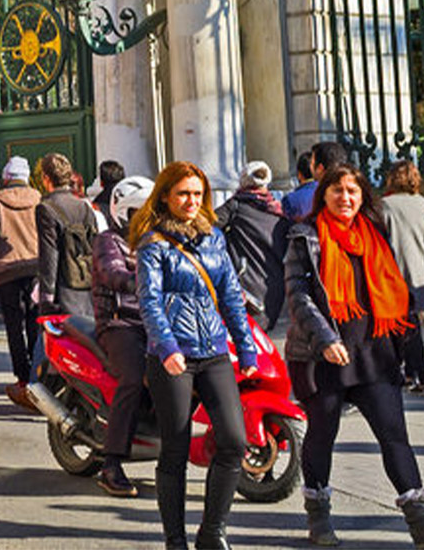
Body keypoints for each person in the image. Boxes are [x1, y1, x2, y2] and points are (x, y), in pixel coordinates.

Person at [285, 163, 424, 548]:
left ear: (362, 195)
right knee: (322, 435)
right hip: (323, 357)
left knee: (394, 435)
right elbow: (298, 295)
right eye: (337, 190)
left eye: (352, 191)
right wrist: (325, 339)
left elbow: (394, 285)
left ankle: (422, 523)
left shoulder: (376, 232)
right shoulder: (306, 235)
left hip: (374, 354)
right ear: (324, 195)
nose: (345, 198)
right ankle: (318, 515)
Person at [134, 161, 258, 550]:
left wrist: (246, 346)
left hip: (214, 351)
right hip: (173, 357)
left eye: (197, 194)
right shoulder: (153, 244)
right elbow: (150, 301)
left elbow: (231, 295)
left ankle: (212, 532)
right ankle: (175, 539)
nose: (191, 201)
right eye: (183, 193)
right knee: (175, 448)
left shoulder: (214, 238)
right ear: (166, 196)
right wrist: (167, 348)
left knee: (234, 441)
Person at [90, 175, 154, 499]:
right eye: (140, 212)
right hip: (120, 323)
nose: (147, 219)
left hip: (156, 320)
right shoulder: (108, 241)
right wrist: (136, 281)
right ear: (125, 212)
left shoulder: (158, 239)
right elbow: (112, 272)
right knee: (133, 377)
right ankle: (111, 464)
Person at [0, 158, 42, 407]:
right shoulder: (38, 199)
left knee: (14, 325)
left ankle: (22, 376)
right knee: (34, 321)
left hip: (6, 271)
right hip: (34, 268)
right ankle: (37, 372)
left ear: (6, 178)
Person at [379, 160, 424, 393]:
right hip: (422, 275)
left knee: (407, 327)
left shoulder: (385, 206)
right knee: (411, 324)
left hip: (395, 275)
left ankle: (418, 375)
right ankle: (413, 374)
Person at [216, 160, 286, 328]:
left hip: (246, 284)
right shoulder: (279, 209)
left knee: (248, 333)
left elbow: (206, 226)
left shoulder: (236, 206)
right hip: (275, 285)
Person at [36, 153, 99, 318]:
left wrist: (46, 295)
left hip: (63, 287)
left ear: (46, 178)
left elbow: (49, 254)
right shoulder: (85, 207)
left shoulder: (46, 208)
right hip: (87, 286)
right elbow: (96, 246)